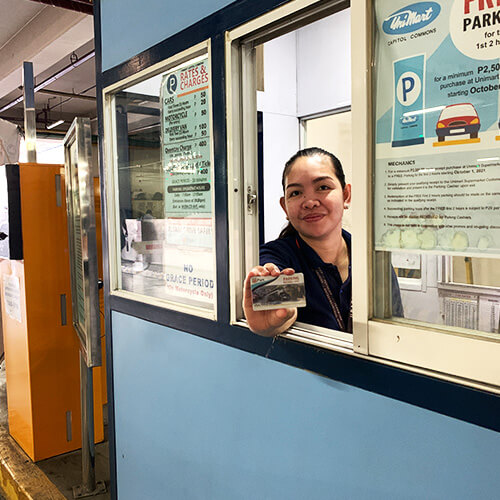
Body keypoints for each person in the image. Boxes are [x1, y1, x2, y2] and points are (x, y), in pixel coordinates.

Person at [243, 147, 403, 337]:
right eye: (295, 193)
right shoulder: (278, 257)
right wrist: (273, 321)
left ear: (346, 195)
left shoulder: (373, 259)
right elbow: (283, 311)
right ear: (285, 206)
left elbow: (394, 329)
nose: (309, 202)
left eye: (323, 187)